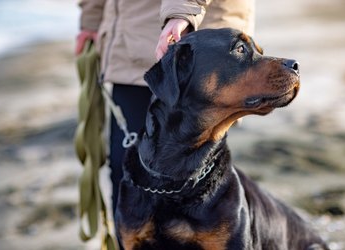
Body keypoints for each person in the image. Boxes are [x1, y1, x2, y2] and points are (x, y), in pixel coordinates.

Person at [76, 0, 255, 216]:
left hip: (193, 45)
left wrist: (183, 11)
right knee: (125, 175)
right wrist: (93, 19)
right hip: (128, 40)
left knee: (196, 189)